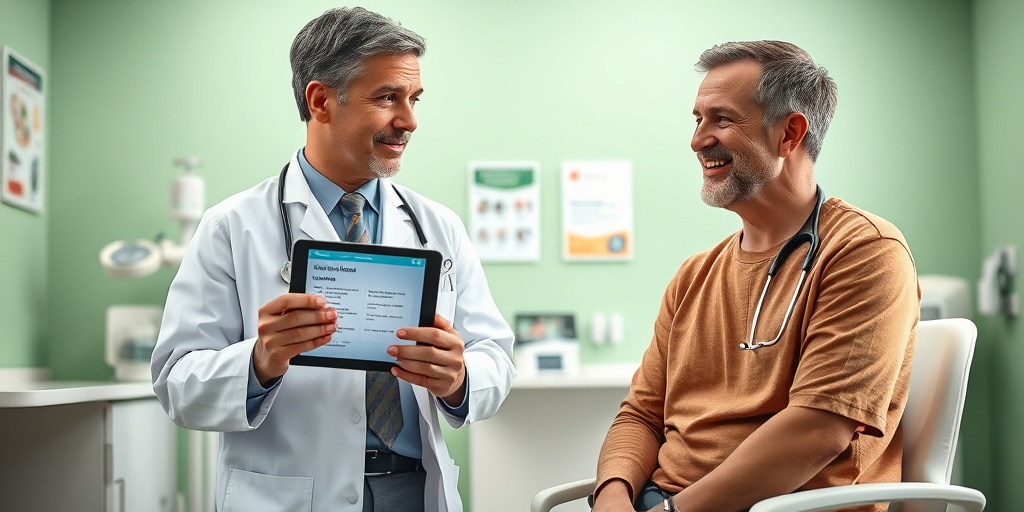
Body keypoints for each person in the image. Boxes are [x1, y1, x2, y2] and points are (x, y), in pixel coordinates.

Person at [150, 7, 515, 512]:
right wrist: (260, 361)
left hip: (413, 491)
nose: (408, 120)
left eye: (413, 99)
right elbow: (177, 385)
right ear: (320, 100)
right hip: (291, 495)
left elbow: (495, 357)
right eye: (388, 97)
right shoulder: (231, 226)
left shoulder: (438, 227)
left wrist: (459, 379)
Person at [591, 40, 920, 512]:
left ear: (789, 134)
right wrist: (612, 494)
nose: (697, 139)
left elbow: (817, 432)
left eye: (721, 119)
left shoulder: (865, 251)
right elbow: (641, 415)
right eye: (697, 119)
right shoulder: (693, 277)